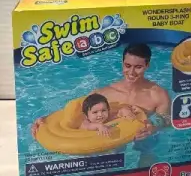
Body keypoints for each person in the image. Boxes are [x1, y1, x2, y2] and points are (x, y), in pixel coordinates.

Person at [31, 43, 171, 165]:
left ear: (147, 65)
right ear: (122, 63)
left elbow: (167, 120)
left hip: (142, 140)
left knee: (147, 156)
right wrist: (45, 121)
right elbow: (75, 113)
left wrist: (153, 127)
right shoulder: (104, 93)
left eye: (138, 67)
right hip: (111, 141)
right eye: (127, 65)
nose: (131, 72)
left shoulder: (158, 95)